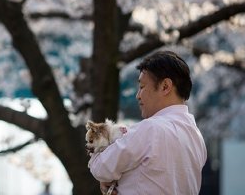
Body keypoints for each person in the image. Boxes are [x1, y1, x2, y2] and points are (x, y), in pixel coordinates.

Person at [88, 50, 207, 195]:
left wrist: (99, 151)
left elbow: (101, 168)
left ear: (165, 86)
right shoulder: (196, 137)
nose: (138, 96)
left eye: (142, 87)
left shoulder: (150, 129)